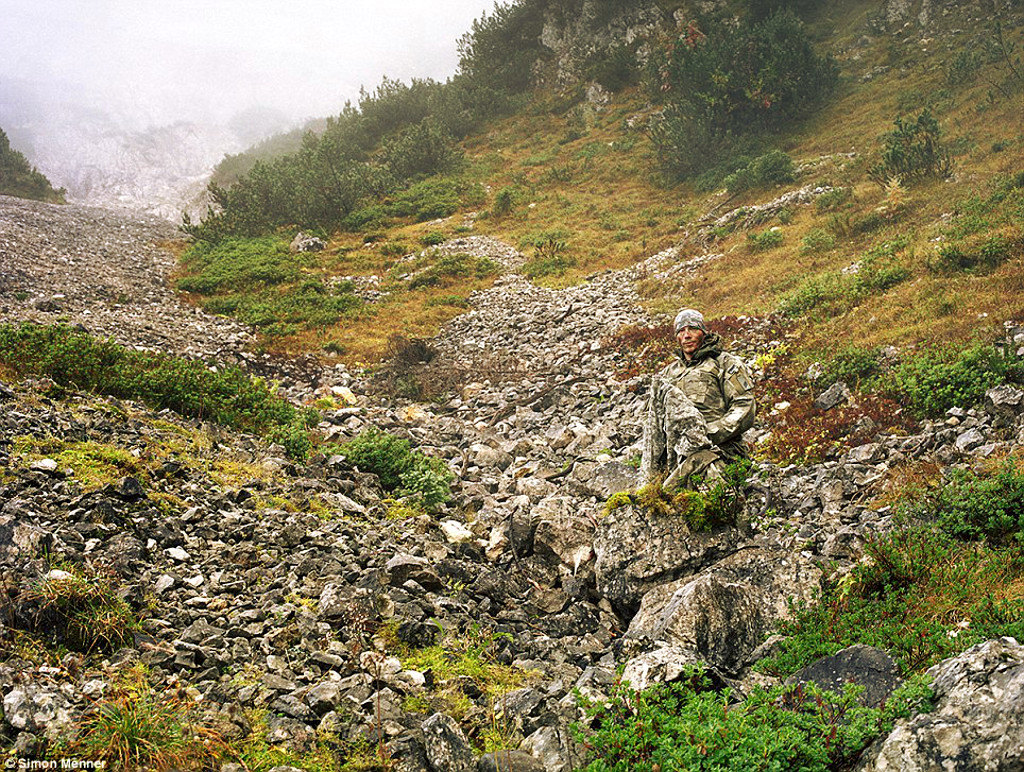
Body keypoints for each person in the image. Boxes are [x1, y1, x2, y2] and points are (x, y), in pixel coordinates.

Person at [639, 309, 756, 489]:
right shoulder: (667, 374)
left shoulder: (725, 363)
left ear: (703, 331)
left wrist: (708, 434)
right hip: (675, 454)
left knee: (703, 490)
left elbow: (744, 407)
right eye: (681, 331)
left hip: (719, 451)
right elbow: (653, 418)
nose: (686, 335)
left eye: (692, 329)